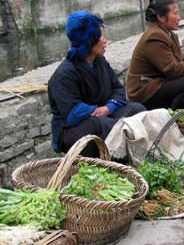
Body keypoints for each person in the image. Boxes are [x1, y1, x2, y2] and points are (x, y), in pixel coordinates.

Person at [48, 11, 145, 154]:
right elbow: (73, 113)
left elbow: (118, 90)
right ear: (89, 40)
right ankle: (116, 159)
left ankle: (137, 152)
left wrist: (108, 108)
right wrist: (98, 111)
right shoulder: (64, 74)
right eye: (100, 36)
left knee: (137, 110)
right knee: (101, 124)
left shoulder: (100, 62)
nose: (105, 40)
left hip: (103, 115)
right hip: (73, 129)